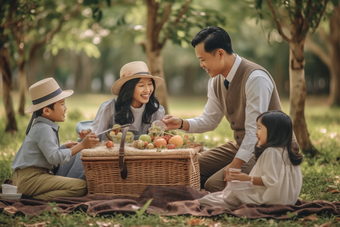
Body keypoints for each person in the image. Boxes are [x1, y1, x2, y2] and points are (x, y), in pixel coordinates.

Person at [162, 26, 299, 192]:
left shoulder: (255, 79)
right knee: (188, 167)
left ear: (220, 53)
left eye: (203, 59)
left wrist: (235, 166)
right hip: (243, 145)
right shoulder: (215, 80)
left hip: (270, 150)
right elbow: (210, 120)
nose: (201, 65)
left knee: (214, 185)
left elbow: (253, 132)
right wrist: (181, 123)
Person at [58, 61, 165, 180]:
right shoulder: (110, 108)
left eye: (150, 84)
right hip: (110, 160)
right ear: (128, 88)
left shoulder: (156, 111)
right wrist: (88, 134)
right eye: (141, 85)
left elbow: (159, 141)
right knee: (81, 177)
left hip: (141, 161)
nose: (147, 90)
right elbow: (96, 133)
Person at [11, 78, 99, 200]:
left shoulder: (43, 126)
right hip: (30, 179)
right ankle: (36, 198)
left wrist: (63, 147)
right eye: (62, 104)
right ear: (47, 110)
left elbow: (45, 153)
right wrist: (82, 145)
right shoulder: (44, 128)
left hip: (31, 177)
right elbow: (54, 158)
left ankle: (33, 194)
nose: (65, 108)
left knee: (75, 157)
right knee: (80, 187)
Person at [198, 111, 303, 210]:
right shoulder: (287, 152)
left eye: (259, 128)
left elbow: (270, 180)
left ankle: (220, 201)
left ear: (273, 132)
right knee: (236, 187)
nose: (256, 132)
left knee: (233, 188)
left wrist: (247, 178)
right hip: (288, 199)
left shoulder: (271, 152)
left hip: (271, 199)